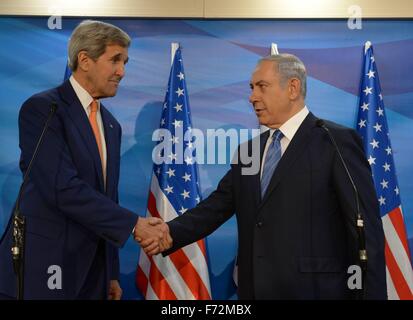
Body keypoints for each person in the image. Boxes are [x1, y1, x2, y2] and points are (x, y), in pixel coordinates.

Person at [141, 54, 387, 299]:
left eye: (262, 87)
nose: (252, 97)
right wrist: (170, 232)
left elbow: (365, 231)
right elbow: (216, 207)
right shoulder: (250, 152)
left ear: (292, 87)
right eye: (251, 88)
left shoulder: (334, 141)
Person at [0, 20, 169, 300]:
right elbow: (60, 187)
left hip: (93, 272)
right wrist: (134, 225)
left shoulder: (111, 125)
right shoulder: (44, 109)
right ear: (85, 60)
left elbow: (107, 197)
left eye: (125, 62)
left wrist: (111, 271)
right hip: (45, 267)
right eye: (115, 60)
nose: (122, 71)